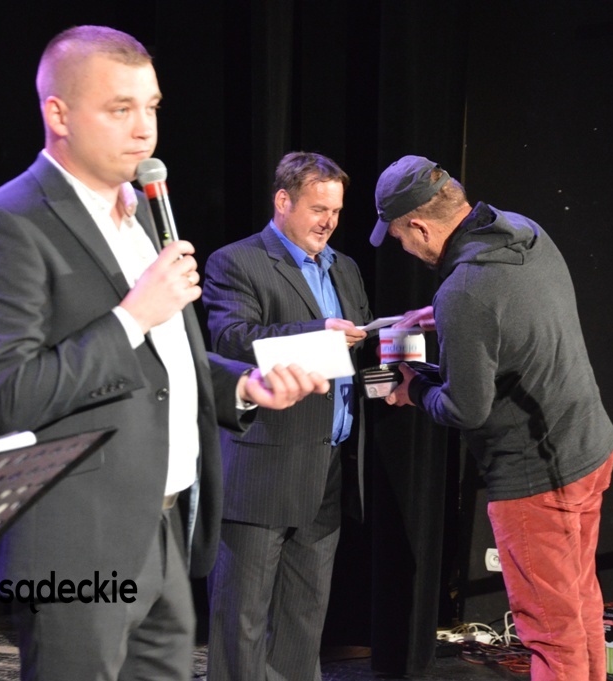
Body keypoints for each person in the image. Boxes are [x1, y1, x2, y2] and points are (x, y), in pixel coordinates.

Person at [0, 26, 328, 681]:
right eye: (120, 108)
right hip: (77, 541)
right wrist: (131, 315)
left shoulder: (143, 211)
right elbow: (12, 395)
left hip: (164, 529)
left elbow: (160, 362)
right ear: (59, 114)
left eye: (151, 106)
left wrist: (242, 385)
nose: (143, 129)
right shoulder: (7, 223)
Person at [370, 155, 613, 681]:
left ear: (419, 226)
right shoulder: (524, 233)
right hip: (589, 448)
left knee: (551, 631)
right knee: (578, 604)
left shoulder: (464, 291)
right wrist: (442, 319)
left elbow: (465, 408)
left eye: (399, 237)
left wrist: (415, 390)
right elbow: (509, 311)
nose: (404, 249)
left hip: (537, 476)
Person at [201, 151, 372, 680]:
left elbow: (356, 347)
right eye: (319, 209)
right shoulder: (237, 261)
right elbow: (233, 341)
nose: (329, 222)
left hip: (328, 464)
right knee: (243, 615)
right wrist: (320, 332)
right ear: (283, 201)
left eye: (336, 211)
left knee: (304, 614)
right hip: (263, 464)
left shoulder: (345, 267)